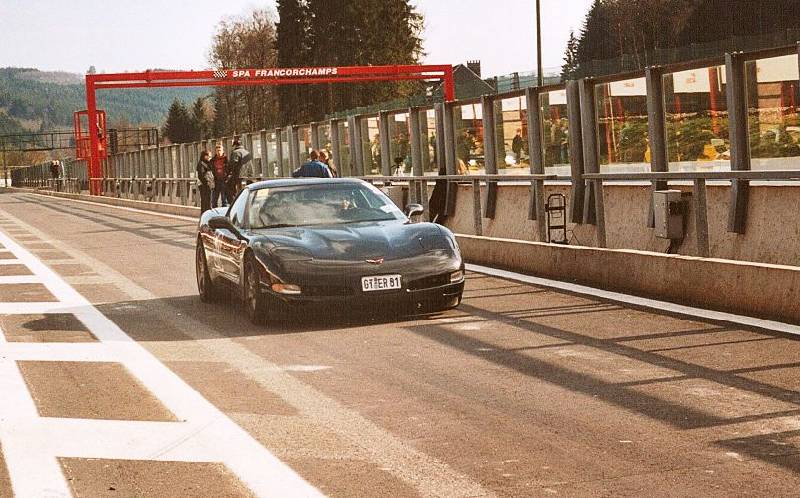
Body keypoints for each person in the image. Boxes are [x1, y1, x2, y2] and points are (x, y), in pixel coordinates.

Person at [226, 137, 251, 204]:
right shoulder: (247, 152)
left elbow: (233, 164)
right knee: (244, 190)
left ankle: (234, 204)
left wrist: (227, 173)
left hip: (238, 175)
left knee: (229, 188)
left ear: (235, 145)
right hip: (248, 176)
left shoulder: (235, 152)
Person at [210, 144, 228, 208]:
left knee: (224, 199)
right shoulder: (212, 160)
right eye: (217, 150)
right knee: (214, 199)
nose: (219, 152)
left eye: (220, 150)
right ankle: (215, 213)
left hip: (224, 180)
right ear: (215, 151)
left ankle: (224, 213)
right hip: (216, 181)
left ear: (223, 151)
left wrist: (227, 176)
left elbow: (229, 169)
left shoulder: (226, 159)